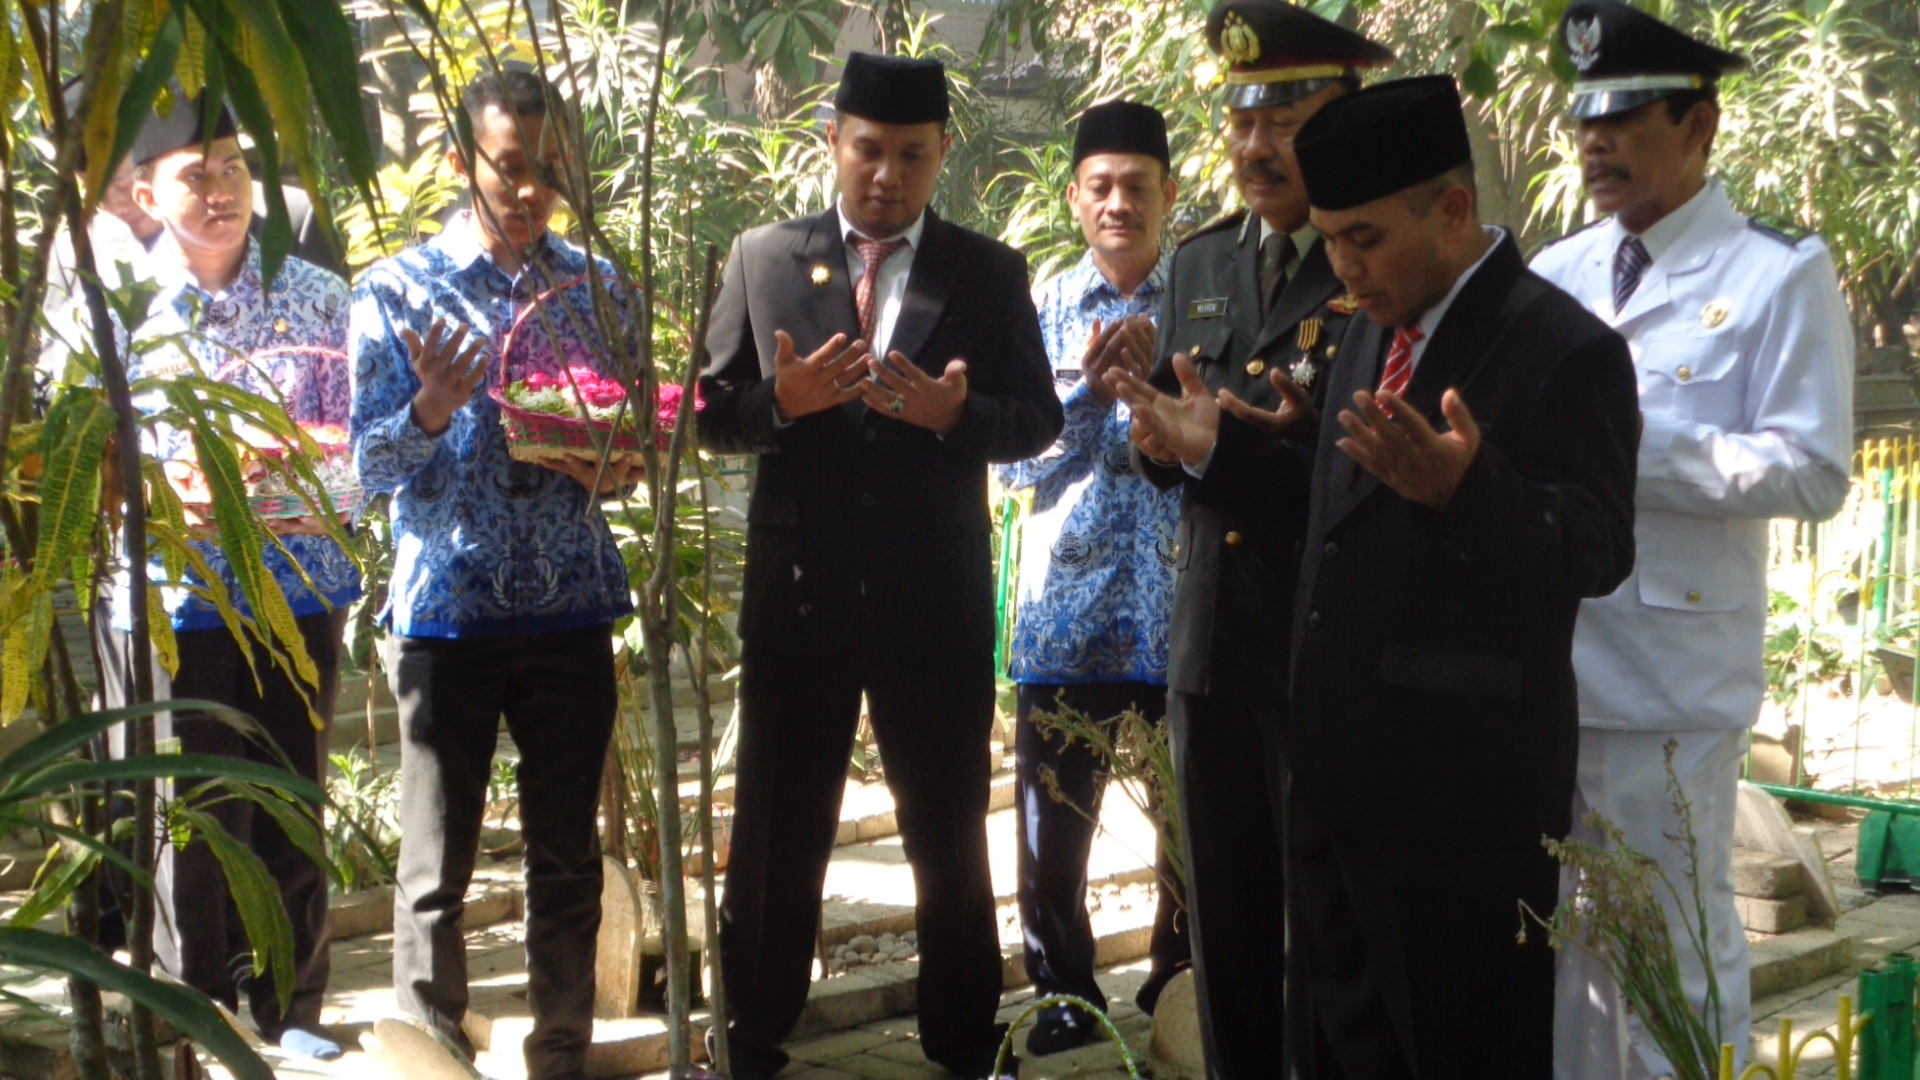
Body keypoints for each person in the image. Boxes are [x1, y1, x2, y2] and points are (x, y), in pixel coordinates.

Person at [697, 52, 1063, 1080]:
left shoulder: (987, 272)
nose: (886, 175)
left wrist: (959, 418)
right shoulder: (764, 257)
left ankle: (961, 1041)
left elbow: (1038, 420)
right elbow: (710, 414)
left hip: (931, 603)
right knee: (776, 833)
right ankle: (753, 1036)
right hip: (799, 599)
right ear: (834, 145)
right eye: (867, 150)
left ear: (941, 154)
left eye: (910, 155)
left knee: (947, 833)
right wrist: (785, 405)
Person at [1281, 75, 1640, 1077]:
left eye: (1364, 239)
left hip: (1459, 812)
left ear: (1450, 209)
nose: (1345, 270)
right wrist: (1222, 452)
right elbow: (1349, 519)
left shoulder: (1565, 350)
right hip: (1336, 782)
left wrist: (1470, 487)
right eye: (1331, 243)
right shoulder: (1367, 328)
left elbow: (1598, 548)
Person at [1532, 4, 1855, 1076]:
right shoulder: (1561, 272)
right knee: (1574, 945)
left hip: (1672, 672)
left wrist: (1625, 445)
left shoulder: (1775, 272)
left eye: (1625, 118)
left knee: (1671, 935)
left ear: (1702, 125)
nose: (1597, 142)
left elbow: (1812, 468)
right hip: (1551, 655)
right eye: (1586, 118)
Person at [1105, 4, 1389, 1075]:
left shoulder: (1378, 268)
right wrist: (1153, 434)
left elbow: (1359, 474)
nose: (1256, 144)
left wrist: (1221, 449)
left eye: (1286, 114)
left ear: (1342, 120)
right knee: (1221, 922)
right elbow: (1169, 447)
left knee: (1325, 927)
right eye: (1239, 117)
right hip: (1210, 645)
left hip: (1317, 649)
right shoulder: (1203, 263)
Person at [349, 70, 640, 1080]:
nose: (529, 193)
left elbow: (633, 446)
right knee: (435, 870)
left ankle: (561, 1053)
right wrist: (429, 408)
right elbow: (359, 473)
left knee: (566, 860)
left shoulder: (600, 289)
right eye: (510, 170)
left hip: (571, 605)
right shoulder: (396, 291)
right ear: (460, 161)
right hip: (445, 614)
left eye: (548, 173)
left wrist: (611, 455)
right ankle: (432, 1055)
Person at [99, 91, 360, 1061]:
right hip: (175, 601)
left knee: (290, 799)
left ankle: (291, 1011)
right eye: (193, 174)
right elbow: (93, 466)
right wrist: (180, 478)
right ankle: (196, 1012)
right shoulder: (122, 307)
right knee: (193, 815)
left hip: (296, 591)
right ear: (144, 189)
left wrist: (290, 455)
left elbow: (361, 450)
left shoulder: (320, 298)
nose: (219, 191)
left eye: (232, 168)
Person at [994, 99, 1190, 1056]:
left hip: (1180, 607)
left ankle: (1178, 987)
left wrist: (1161, 398)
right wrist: (1080, 391)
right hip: (1066, 612)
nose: (1119, 204)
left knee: (1187, 819)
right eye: (1101, 187)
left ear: (1170, 194)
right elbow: (1005, 466)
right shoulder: (1035, 310)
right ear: (1074, 199)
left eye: (1137, 187)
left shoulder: (1206, 300)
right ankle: (1063, 996)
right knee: (1053, 820)